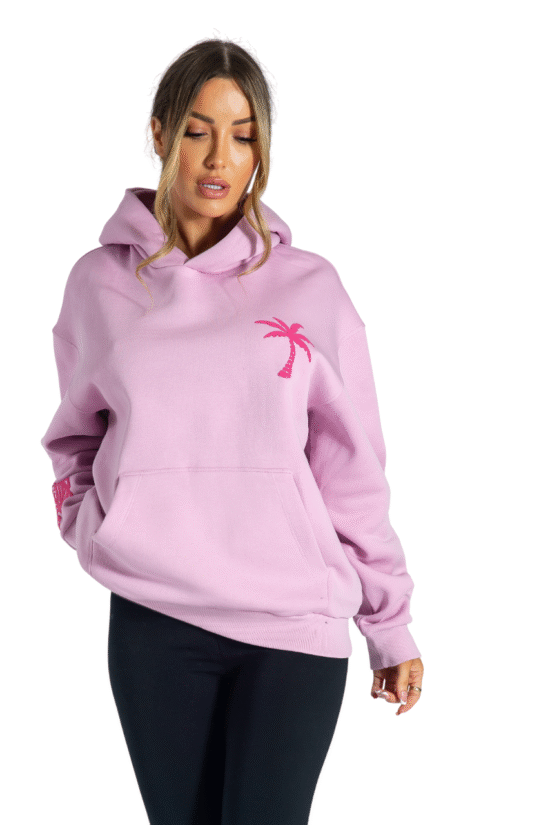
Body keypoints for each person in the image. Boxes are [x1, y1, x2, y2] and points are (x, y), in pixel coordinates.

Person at [40, 37, 424, 825]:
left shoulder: (310, 286)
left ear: (261, 150)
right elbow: (74, 439)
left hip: (294, 619)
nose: (220, 158)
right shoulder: (98, 283)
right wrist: (95, 526)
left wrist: (389, 623)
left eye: (243, 136)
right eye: (197, 131)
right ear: (159, 133)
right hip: (156, 617)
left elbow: (351, 466)